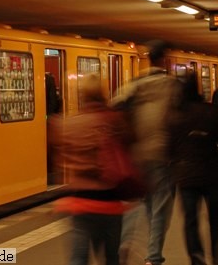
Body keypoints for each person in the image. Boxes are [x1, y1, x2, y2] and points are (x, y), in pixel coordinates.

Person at [50, 74, 136, 265]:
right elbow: (129, 150)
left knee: (78, 259)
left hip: (79, 203)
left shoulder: (69, 124)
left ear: (82, 96)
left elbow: (60, 157)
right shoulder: (114, 121)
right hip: (110, 203)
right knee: (111, 258)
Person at [111, 40, 182, 265]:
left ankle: (124, 244)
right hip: (162, 154)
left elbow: (114, 110)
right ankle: (153, 257)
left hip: (135, 155)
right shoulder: (173, 86)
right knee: (159, 208)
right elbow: (179, 119)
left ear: (148, 59)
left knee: (134, 204)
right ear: (164, 60)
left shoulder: (132, 85)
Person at [169, 73, 218, 265]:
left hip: (186, 178)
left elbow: (169, 149)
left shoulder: (174, 116)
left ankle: (197, 258)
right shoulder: (213, 112)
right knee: (216, 220)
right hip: (212, 175)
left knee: (191, 221)